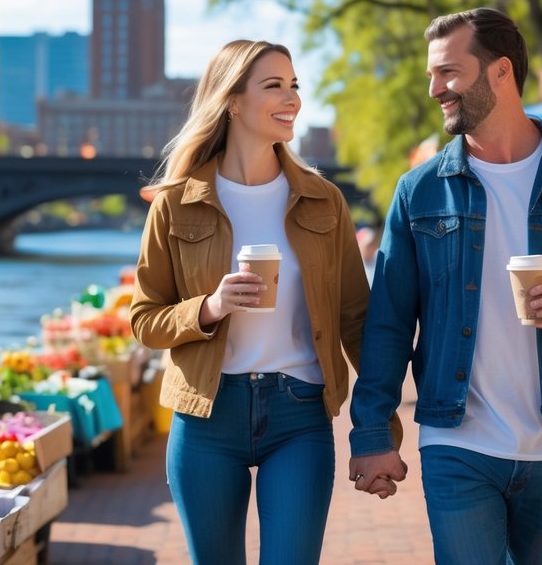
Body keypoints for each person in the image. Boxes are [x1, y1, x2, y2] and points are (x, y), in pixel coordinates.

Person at [347, 8, 542, 565]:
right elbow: (389, 322)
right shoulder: (418, 192)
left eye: (448, 73)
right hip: (457, 439)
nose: (436, 90)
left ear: (500, 72)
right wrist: (371, 432)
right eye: (432, 77)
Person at [130, 40, 371, 565]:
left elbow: (357, 319)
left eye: (294, 86)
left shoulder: (323, 199)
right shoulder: (176, 201)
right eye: (273, 86)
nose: (292, 99)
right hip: (206, 417)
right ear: (232, 101)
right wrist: (210, 307)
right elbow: (144, 320)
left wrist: (380, 432)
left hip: (300, 413)